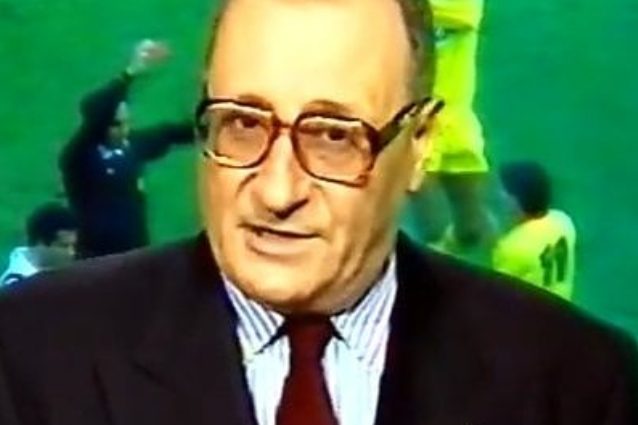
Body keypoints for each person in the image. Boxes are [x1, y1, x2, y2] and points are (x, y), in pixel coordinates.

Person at [0, 1, 636, 424]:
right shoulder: (28, 351)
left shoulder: (582, 384)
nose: (278, 191)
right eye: (243, 124)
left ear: (419, 145)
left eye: (334, 136)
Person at [59, 39, 194, 259]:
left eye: (126, 123)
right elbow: (97, 110)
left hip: (137, 257)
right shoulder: (80, 157)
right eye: (116, 125)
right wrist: (131, 72)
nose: (124, 130)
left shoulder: (132, 147)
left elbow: (171, 134)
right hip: (95, 261)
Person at [401, 0, 495, 263]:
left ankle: (500, 271)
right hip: (430, 122)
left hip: (444, 124)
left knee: (467, 229)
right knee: (440, 231)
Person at [492, 160, 577, 301]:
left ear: (514, 201)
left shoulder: (510, 248)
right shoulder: (563, 220)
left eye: (504, 190)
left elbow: (498, 297)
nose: (499, 194)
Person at [0, 203, 76, 286]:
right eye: (64, 246)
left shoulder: (60, 269)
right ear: (41, 243)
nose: (72, 252)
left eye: (73, 245)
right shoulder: (16, 284)